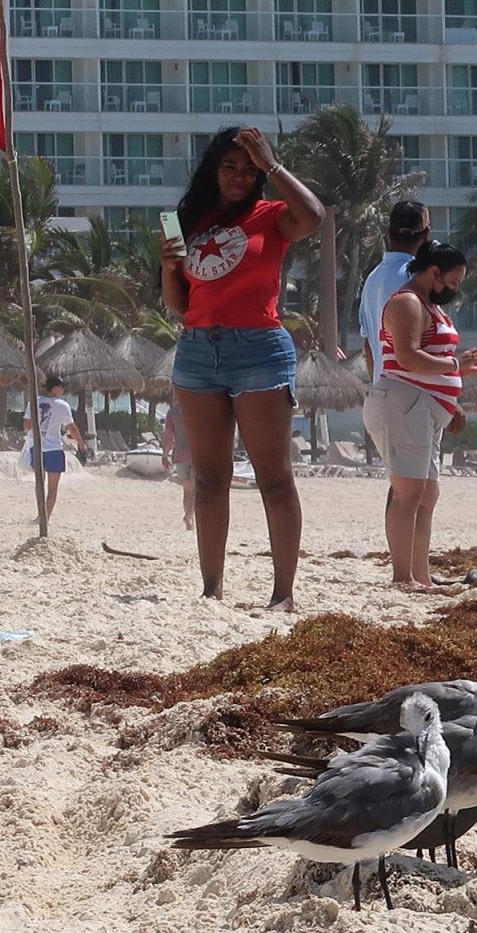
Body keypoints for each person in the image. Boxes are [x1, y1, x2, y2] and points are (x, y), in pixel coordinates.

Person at [160, 125, 325, 610]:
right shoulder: (191, 220)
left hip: (259, 348)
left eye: (248, 169)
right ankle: (212, 588)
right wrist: (170, 267)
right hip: (197, 349)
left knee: (274, 478)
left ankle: (283, 594)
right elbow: (180, 306)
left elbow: (313, 216)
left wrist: (272, 165)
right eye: (230, 166)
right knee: (209, 479)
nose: (238, 175)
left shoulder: (272, 215)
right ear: (214, 169)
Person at [362, 243, 477, 590]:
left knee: (426, 494)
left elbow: (432, 360)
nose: (455, 289)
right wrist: (456, 365)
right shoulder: (407, 302)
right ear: (434, 273)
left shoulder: (428, 305)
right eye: (453, 281)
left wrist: (462, 371)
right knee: (409, 493)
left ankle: (420, 575)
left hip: (423, 407)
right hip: (404, 403)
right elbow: (407, 357)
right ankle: (403, 577)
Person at [359, 201, 430, 386]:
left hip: (383, 393)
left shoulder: (372, 279)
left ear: (389, 233)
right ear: (426, 235)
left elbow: (369, 346)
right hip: (414, 393)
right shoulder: (421, 277)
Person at [22, 375, 86, 518]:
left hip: (36, 448)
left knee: (39, 484)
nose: (63, 390)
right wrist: (81, 443)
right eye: (62, 387)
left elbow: (26, 426)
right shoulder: (62, 405)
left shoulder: (34, 402)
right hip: (54, 449)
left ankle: (40, 515)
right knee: (52, 488)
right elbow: (72, 428)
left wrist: (39, 420)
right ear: (55, 388)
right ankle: (44, 518)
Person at [161, 401, 195, 530]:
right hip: (196, 454)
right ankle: (189, 516)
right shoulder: (198, 408)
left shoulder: (173, 412)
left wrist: (165, 454)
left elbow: (168, 436)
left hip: (180, 456)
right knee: (195, 488)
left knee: (187, 490)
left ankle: (188, 515)